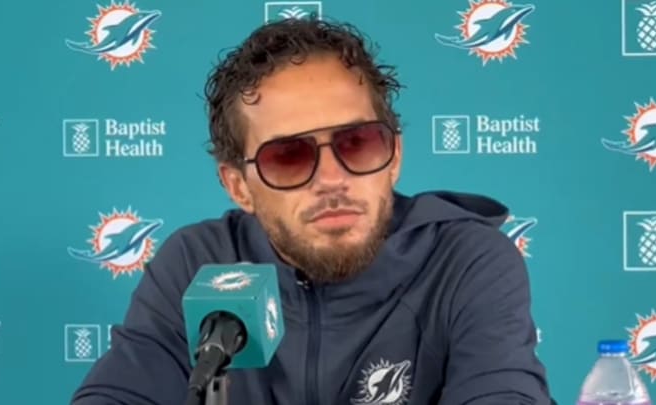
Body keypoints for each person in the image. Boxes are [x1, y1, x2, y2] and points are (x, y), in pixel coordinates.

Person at [71, 16, 555, 405]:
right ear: (238, 185)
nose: (332, 179)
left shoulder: (465, 259)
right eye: (289, 156)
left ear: (395, 157)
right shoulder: (198, 263)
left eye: (358, 143)